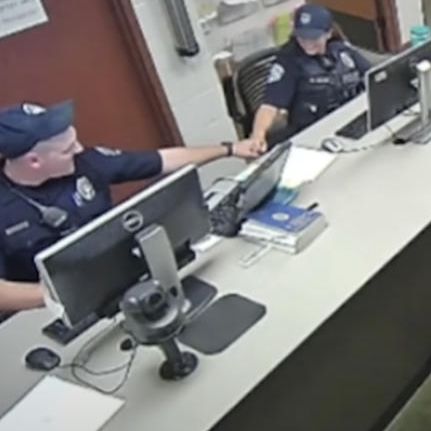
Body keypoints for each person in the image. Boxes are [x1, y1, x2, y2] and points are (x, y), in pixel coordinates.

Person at [0, 100, 264, 319]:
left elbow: (162, 161)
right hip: (53, 315)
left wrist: (230, 149)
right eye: (67, 150)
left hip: (125, 288)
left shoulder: (87, 163)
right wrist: (55, 295)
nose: (79, 150)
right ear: (34, 161)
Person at [250, 4, 372, 148]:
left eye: (313, 37)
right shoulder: (289, 61)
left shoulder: (341, 50)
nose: (307, 43)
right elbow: (270, 105)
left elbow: (373, 74)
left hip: (350, 121)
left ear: (328, 33)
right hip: (313, 133)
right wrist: (258, 135)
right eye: (302, 37)